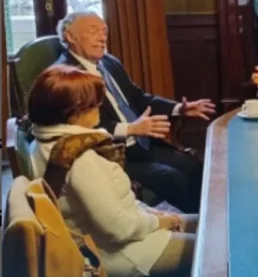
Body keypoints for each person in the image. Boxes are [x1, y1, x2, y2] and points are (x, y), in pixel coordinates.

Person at [27, 65, 197, 277]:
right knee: (211, 245)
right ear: (74, 113)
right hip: (117, 254)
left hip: (116, 235)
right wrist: (159, 221)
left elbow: (117, 206)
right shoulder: (79, 157)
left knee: (208, 224)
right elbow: (119, 229)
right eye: (93, 105)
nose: (99, 108)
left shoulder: (43, 141)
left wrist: (155, 214)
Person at [55, 11, 215, 213]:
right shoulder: (66, 76)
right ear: (70, 36)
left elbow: (139, 98)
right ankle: (201, 223)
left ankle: (210, 217)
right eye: (93, 31)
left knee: (194, 166)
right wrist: (130, 129)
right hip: (109, 154)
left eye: (104, 31)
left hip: (140, 145)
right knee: (171, 177)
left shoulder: (109, 63)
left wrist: (179, 108)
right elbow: (79, 127)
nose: (102, 38)